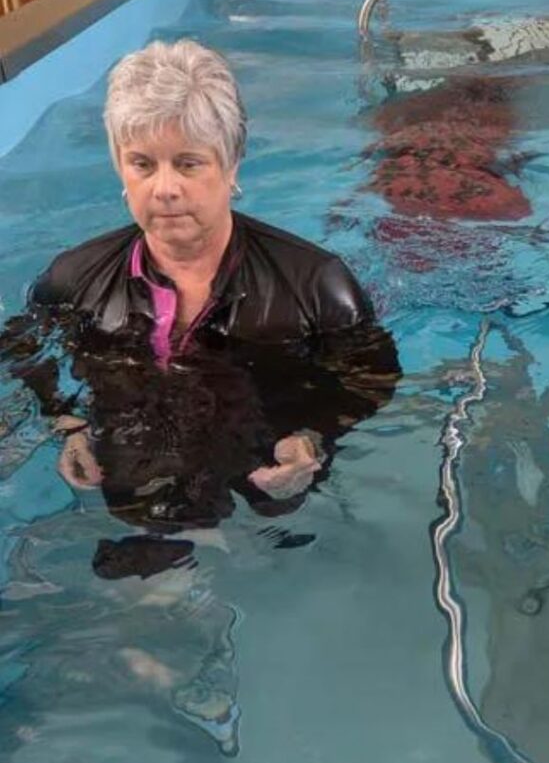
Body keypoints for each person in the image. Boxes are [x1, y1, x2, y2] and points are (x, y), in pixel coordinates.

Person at [2, 38, 400, 571]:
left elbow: (369, 380)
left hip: (265, 492)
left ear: (232, 165)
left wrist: (311, 436)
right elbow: (25, 350)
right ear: (119, 168)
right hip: (131, 480)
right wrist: (67, 426)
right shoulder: (75, 279)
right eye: (143, 163)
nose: (164, 188)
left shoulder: (316, 286)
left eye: (188, 164)